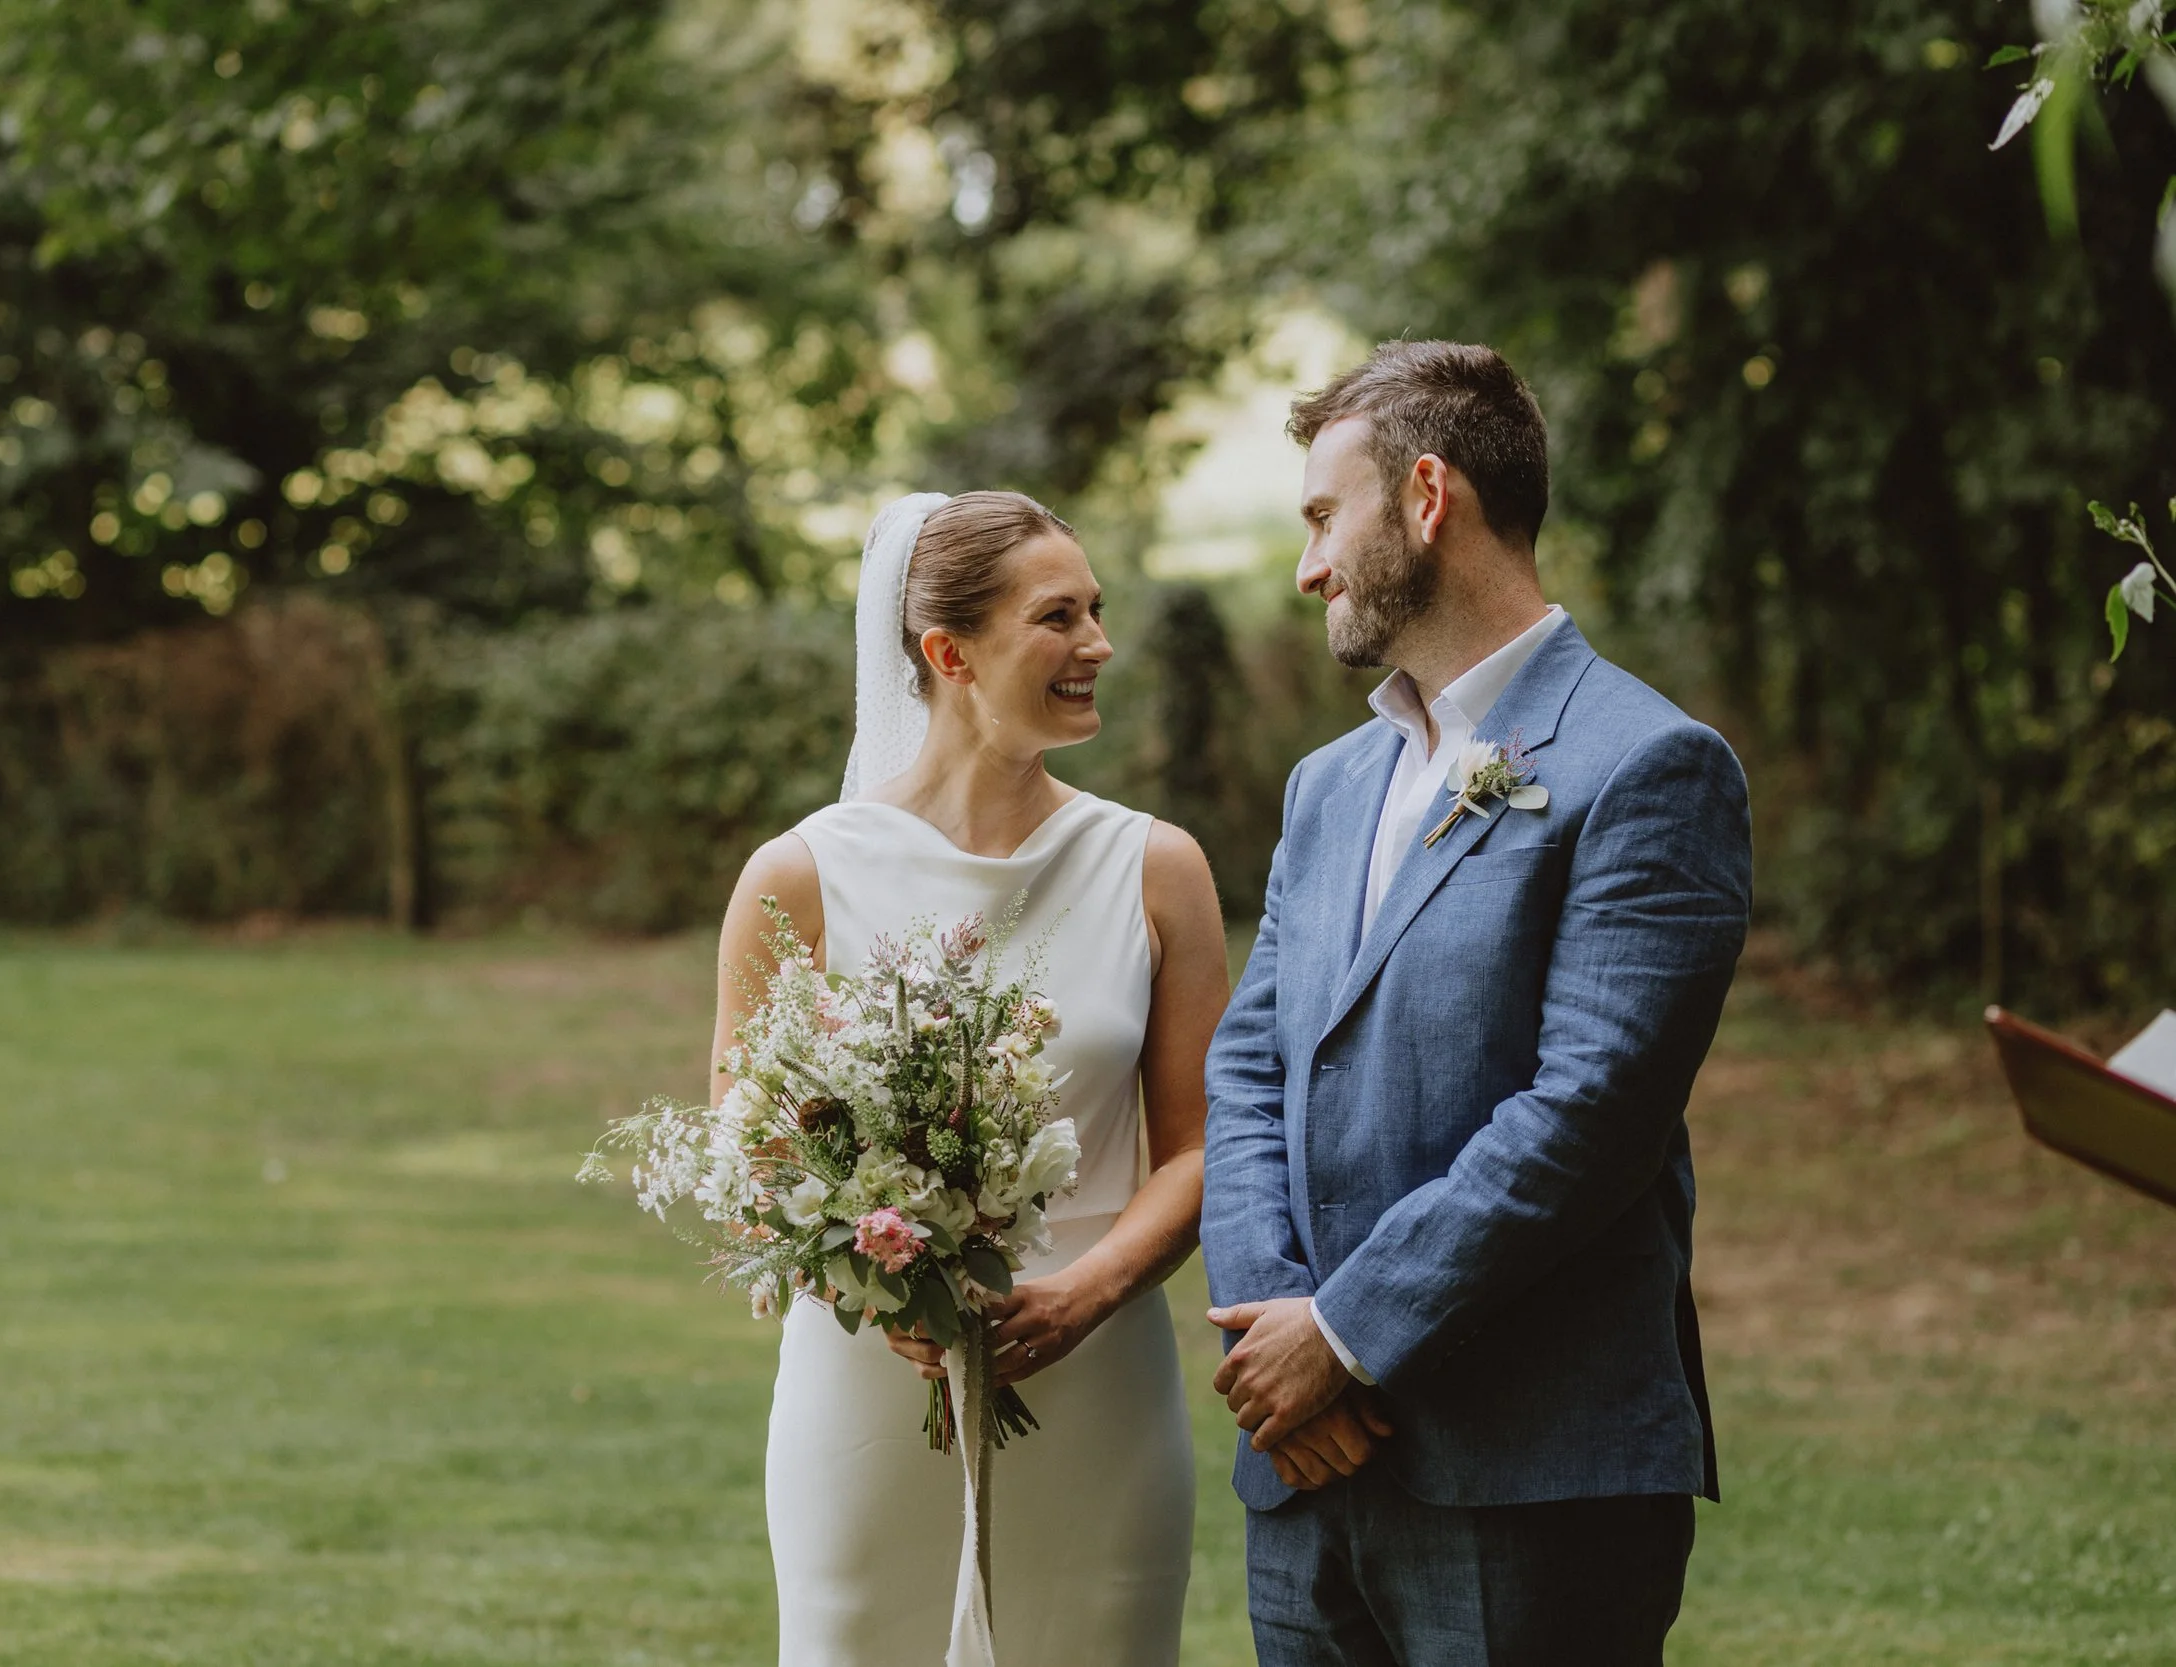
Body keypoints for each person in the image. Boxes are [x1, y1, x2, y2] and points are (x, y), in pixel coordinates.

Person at [1200, 341, 1753, 1665]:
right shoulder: (1327, 785)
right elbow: (1251, 1069)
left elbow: (1590, 1109)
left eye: (1325, 515)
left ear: (1429, 497)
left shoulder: (1648, 765)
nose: (1309, 564)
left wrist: (1344, 1334)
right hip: (1307, 1471)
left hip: (1531, 1473)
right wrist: (1280, 1350)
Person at [715, 490, 1229, 1666]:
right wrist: (884, 1291)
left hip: (1098, 1376)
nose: (1100, 643)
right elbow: (749, 1151)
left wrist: (1087, 1290)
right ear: (948, 653)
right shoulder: (797, 878)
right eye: (1059, 617)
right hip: (867, 1392)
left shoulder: (1157, 868)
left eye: (1098, 610)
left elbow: (1203, 1145)